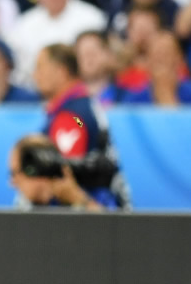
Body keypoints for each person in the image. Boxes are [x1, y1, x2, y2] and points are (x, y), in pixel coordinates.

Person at [33, 44, 131, 209]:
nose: (35, 75)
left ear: (61, 71)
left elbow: (63, 177)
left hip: (83, 214)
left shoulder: (72, 116)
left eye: (40, 68)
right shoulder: (82, 105)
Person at [8, 135, 109, 211]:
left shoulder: (93, 190)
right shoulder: (24, 205)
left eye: (14, 173)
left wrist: (79, 200)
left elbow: (114, 230)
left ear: (35, 169)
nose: (12, 182)